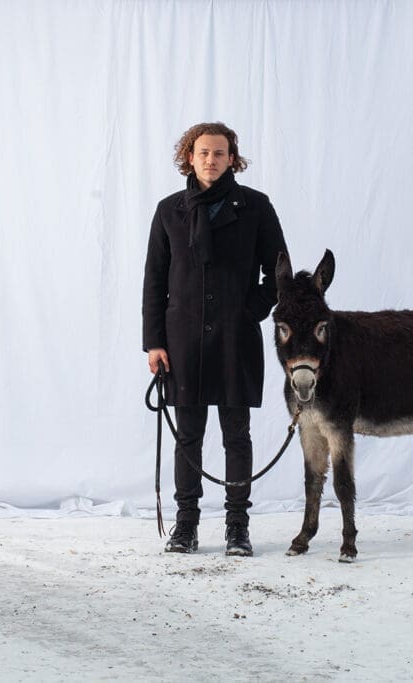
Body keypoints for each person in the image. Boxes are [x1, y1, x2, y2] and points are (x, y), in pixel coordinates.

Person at [142, 122, 288, 556]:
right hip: (181, 341)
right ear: (189, 156)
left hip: (234, 340)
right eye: (203, 152)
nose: (211, 160)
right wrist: (154, 342)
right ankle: (185, 526)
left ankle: (237, 528)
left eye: (219, 153)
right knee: (187, 436)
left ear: (232, 158)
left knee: (236, 436)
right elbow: (154, 281)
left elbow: (279, 273)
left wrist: (249, 312)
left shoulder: (256, 207)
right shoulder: (170, 211)